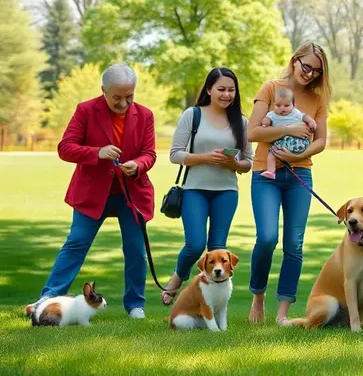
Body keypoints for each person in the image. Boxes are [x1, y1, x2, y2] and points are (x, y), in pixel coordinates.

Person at [30, 63, 157, 319]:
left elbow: (149, 154)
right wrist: (97, 153)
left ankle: (135, 305)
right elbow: (65, 148)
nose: (124, 103)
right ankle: (47, 298)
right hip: (91, 194)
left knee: (135, 249)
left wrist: (138, 165)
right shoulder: (86, 110)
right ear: (104, 90)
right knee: (76, 243)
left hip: (131, 194)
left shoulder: (145, 115)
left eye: (129, 96)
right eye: (117, 97)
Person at [247, 42, 331, 325]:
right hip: (265, 174)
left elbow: (320, 140)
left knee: (294, 244)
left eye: (316, 71)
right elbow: (253, 132)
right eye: (306, 66)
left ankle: (283, 313)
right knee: (267, 238)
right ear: (295, 61)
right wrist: (289, 129)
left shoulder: (318, 99)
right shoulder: (271, 88)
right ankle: (258, 298)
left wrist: (299, 153)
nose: (309, 74)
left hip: (299, 176)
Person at [160, 67, 254, 306]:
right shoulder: (193, 115)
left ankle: (210, 304)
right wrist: (205, 157)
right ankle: (177, 279)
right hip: (194, 189)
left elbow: (247, 164)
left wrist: (234, 163)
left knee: (218, 251)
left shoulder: (241, 122)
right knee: (194, 245)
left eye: (231, 90)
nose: (226, 94)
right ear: (209, 90)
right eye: (221, 89)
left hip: (227, 191)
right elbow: (175, 154)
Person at [260, 86, 318, 180]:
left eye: (286, 106)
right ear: (274, 104)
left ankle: (272, 170)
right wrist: (265, 122)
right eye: (278, 105)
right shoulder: (272, 114)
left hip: (299, 142)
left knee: (272, 152)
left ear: (294, 104)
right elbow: (266, 120)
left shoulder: (295, 113)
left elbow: (305, 116)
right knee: (272, 153)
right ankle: (271, 171)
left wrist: (311, 122)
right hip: (283, 143)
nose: (282, 109)